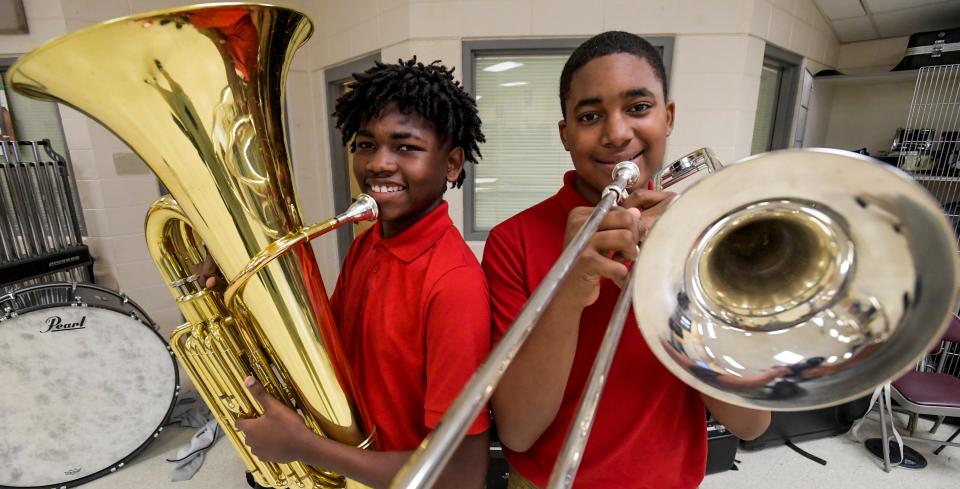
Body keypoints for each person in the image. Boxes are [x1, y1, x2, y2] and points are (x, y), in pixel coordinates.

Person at [481, 31, 771, 489]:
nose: (617, 134)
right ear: (565, 134)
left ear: (668, 117)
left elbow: (751, 423)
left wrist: (684, 271)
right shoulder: (512, 240)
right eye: (591, 115)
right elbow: (517, 432)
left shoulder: (707, 238)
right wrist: (569, 286)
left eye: (638, 108)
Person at [204, 58, 492, 489]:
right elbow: (331, 353)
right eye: (364, 145)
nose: (378, 163)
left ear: (451, 165)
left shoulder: (453, 285)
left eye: (406, 147)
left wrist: (306, 448)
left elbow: (460, 475)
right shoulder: (369, 242)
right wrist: (239, 295)